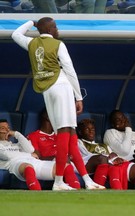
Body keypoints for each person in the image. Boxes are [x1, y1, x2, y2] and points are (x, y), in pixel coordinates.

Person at [11, 17, 103, 190]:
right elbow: (70, 70)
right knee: (65, 133)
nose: (57, 28)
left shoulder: (31, 43)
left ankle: (87, 180)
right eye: (55, 26)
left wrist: (31, 22)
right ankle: (59, 181)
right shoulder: (58, 44)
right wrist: (79, 97)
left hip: (47, 91)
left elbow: (15, 34)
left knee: (70, 135)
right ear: (51, 29)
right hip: (61, 86)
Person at [77, 118, 135, 190]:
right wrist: (111, 158)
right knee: (112, 168)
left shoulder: (103, 145)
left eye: (93, 129)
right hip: (100, 165)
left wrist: (116, 157)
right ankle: (103, 193)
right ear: (80, 132)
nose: (91, 131)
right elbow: (87, 157)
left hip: (114, 163)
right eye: (87, 129)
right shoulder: (79, 143)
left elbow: (112, 155)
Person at [0, 119, 81, 191]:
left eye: (8, 128)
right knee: (28, 167)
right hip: (15, 164)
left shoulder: (16, 145)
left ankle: (77, 194)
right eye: (3, 128)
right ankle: (37, 194)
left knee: (65, 166)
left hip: (33, 161)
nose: (7, 130)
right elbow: (8, 156)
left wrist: (16, 134)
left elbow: (30, 150)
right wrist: (29, 155)